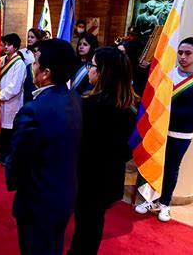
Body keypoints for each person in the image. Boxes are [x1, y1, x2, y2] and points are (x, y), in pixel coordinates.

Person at [5, 38, 82, 255]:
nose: (33, 66)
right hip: (65, 193)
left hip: (38, 201)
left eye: (36, 62)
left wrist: (13, 181)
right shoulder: (74, 98)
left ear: (46, 72)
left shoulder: (33, 111)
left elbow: (18, 159)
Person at [68, 47, 139, 255]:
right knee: (93, 223)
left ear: (104, 72)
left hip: (86, 177)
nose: (89, 70)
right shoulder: (130, 105)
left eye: (92, 66)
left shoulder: (88, 105)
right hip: (108, 178)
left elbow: (76, 143)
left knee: (85, 225)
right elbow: (127, 150)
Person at [135, 37, 193, 222]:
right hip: (158, 130)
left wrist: (163, 109)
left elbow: (190, 111)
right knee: (154, 163)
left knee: (172, 168)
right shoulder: (166, 74)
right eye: (180, 52)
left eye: (188, 53)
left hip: (181, 133)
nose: (182, 56)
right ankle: (151, 199)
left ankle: (165, 203)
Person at [0, 33, 27, 165]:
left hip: (11, 102)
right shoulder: (3, 60)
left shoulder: (19, 64)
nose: (6, 47)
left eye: (9, 45)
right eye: (4, 44)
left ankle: (8, 157)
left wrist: (0, 96)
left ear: (16, 47)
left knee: (9, 131)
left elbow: (15, 87)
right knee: (2, 131)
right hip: (1, 101)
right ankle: (2, 152)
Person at [118, 26, 146, 96]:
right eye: (129, 34)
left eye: (132, 35)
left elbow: (126, 47)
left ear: (137, 36)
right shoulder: (127, 42)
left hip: (134, 71)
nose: (130, 37)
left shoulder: (139, 44)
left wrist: (122, 42)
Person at [19, 28, 42, 104]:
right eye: (28, 37)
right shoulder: (22, 53)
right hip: (26, 83)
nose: (29, 39)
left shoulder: (42, 52)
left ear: (38, 38)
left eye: (32, 37)